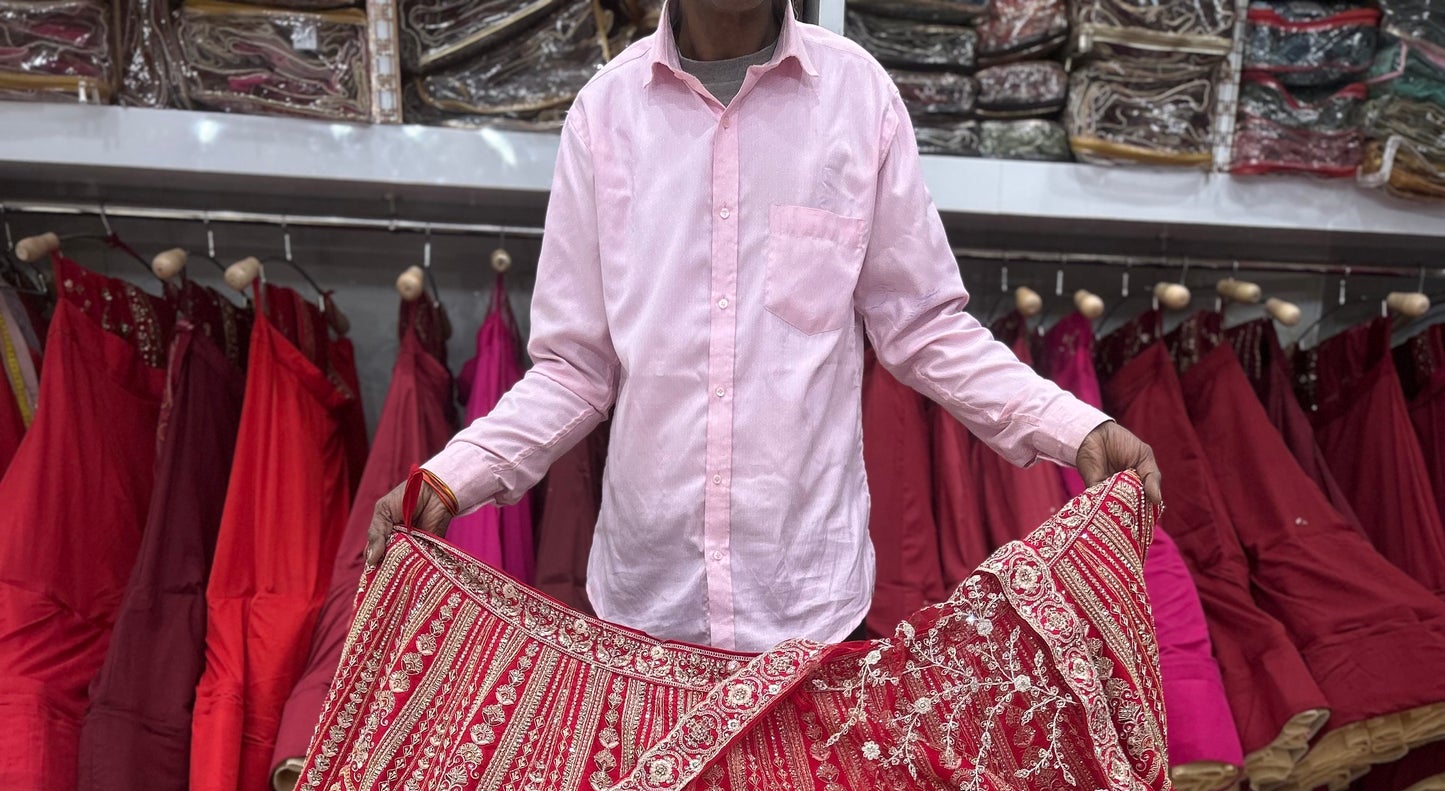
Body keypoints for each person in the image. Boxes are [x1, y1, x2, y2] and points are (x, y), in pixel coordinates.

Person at [365, 0, 1160, 651]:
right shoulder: (605, 115)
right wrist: (452, 476)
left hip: (808, 606)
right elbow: (577, 367)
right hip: (645, 606)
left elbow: (921, 326)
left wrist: (1074, 429)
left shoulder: (857, 97)